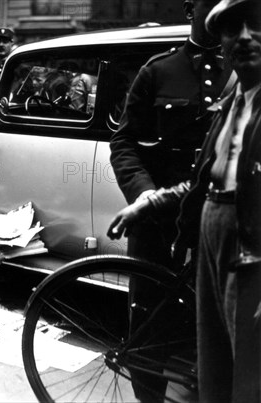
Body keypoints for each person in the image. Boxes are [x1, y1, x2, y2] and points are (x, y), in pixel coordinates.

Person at [108, 0, 261, 401]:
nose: (240, 33)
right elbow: (124, 141)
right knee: (148, 327)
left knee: (219, 337)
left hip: (220, 225)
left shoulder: (244, 73)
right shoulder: (158, 70)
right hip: (158, 227)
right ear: (192, 8)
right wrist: (145, 194)